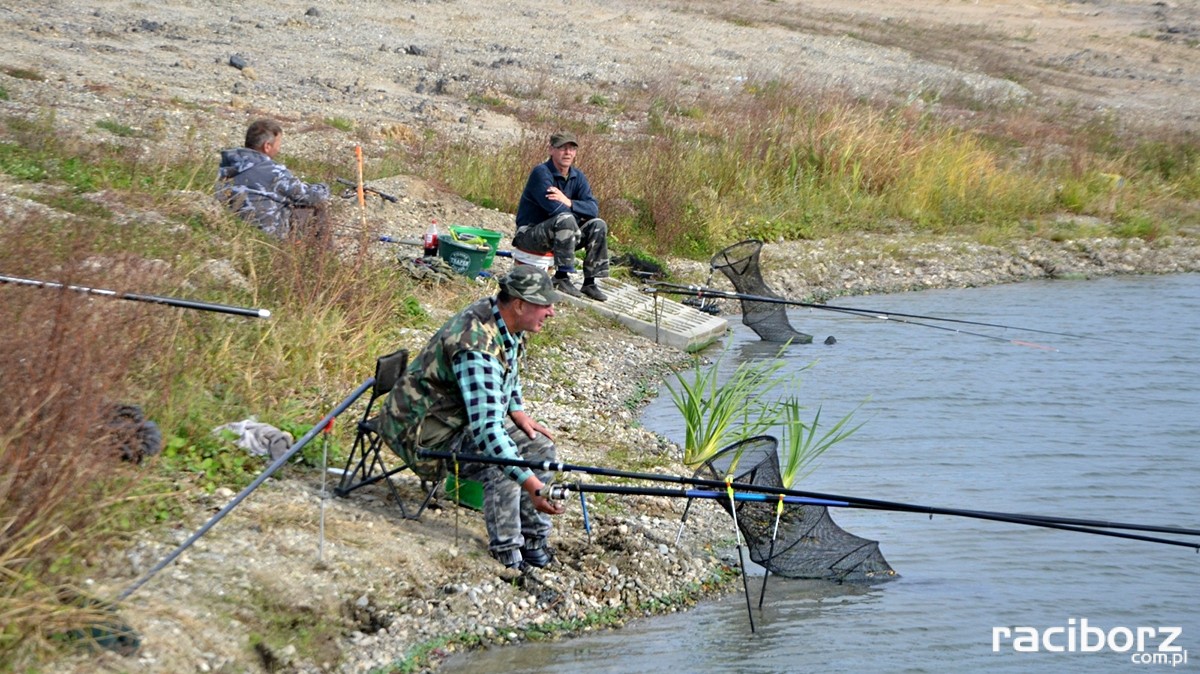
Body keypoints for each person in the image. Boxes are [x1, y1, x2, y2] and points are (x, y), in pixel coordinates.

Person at [380, 266, 567, 571]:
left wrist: (517, 409)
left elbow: (510, 370)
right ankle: (507, 552)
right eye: (544, 304)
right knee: (506, 464)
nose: (552, 312)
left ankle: (534, 542)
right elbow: (488, 433)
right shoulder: (476, 345)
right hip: (421, 434)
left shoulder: (504, 321)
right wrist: (533, 485)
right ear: (519, 304)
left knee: (540, 446)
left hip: (453, 419)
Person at [514, 131, 610, 302]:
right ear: (551, 150)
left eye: (572, 149)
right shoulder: (541, 173)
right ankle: (561, 277)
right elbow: (554, 208)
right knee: (566, 219)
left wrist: (569, 201)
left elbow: (593, 209)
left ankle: (590, 282)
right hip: (530, 234)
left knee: (598, 224)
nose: (568, 153)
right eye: (562, 148)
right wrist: (577, 210)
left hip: (562, 233)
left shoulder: (577, 176)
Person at [215, 119, 331, 240]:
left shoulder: (225, 166)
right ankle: (326, 255)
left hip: (235, 231)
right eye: (278, 143)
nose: (279, 148)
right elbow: (312, 196)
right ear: (267, 146)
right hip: (267, 238)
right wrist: (324, 187)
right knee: (316, 207)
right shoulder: (273, 171)